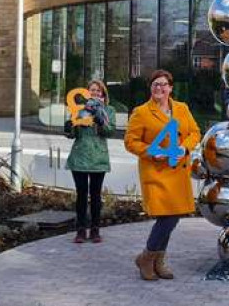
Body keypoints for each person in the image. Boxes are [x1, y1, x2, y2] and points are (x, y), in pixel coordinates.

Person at [124, 69, 201, 281]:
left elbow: (195, 132)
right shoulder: (141, 112)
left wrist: (184, 148)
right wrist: (151, 151)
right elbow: (131, 142)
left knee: (173, 216)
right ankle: (147, 258)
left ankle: (157, 260)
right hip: (156, 172)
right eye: (155, 84)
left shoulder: (182, 108)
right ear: (151, 88)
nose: (159, 88)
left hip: (177, 172)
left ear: (170, 88)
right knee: (166, 218)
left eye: (163, 84)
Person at [64, 79, 115, 244]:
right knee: (81, 195)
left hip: (98, 158)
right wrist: (68, 128)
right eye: (92, 90)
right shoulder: (79, 110)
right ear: (86, 93)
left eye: (98, 90)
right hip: (79, 157)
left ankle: (95, 230)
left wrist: (101, 121)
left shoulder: (109, 110)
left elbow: (110, 131)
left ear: (103, 94)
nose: (95, 93)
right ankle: (80, 231)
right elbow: (73, 134)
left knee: (95, 196)